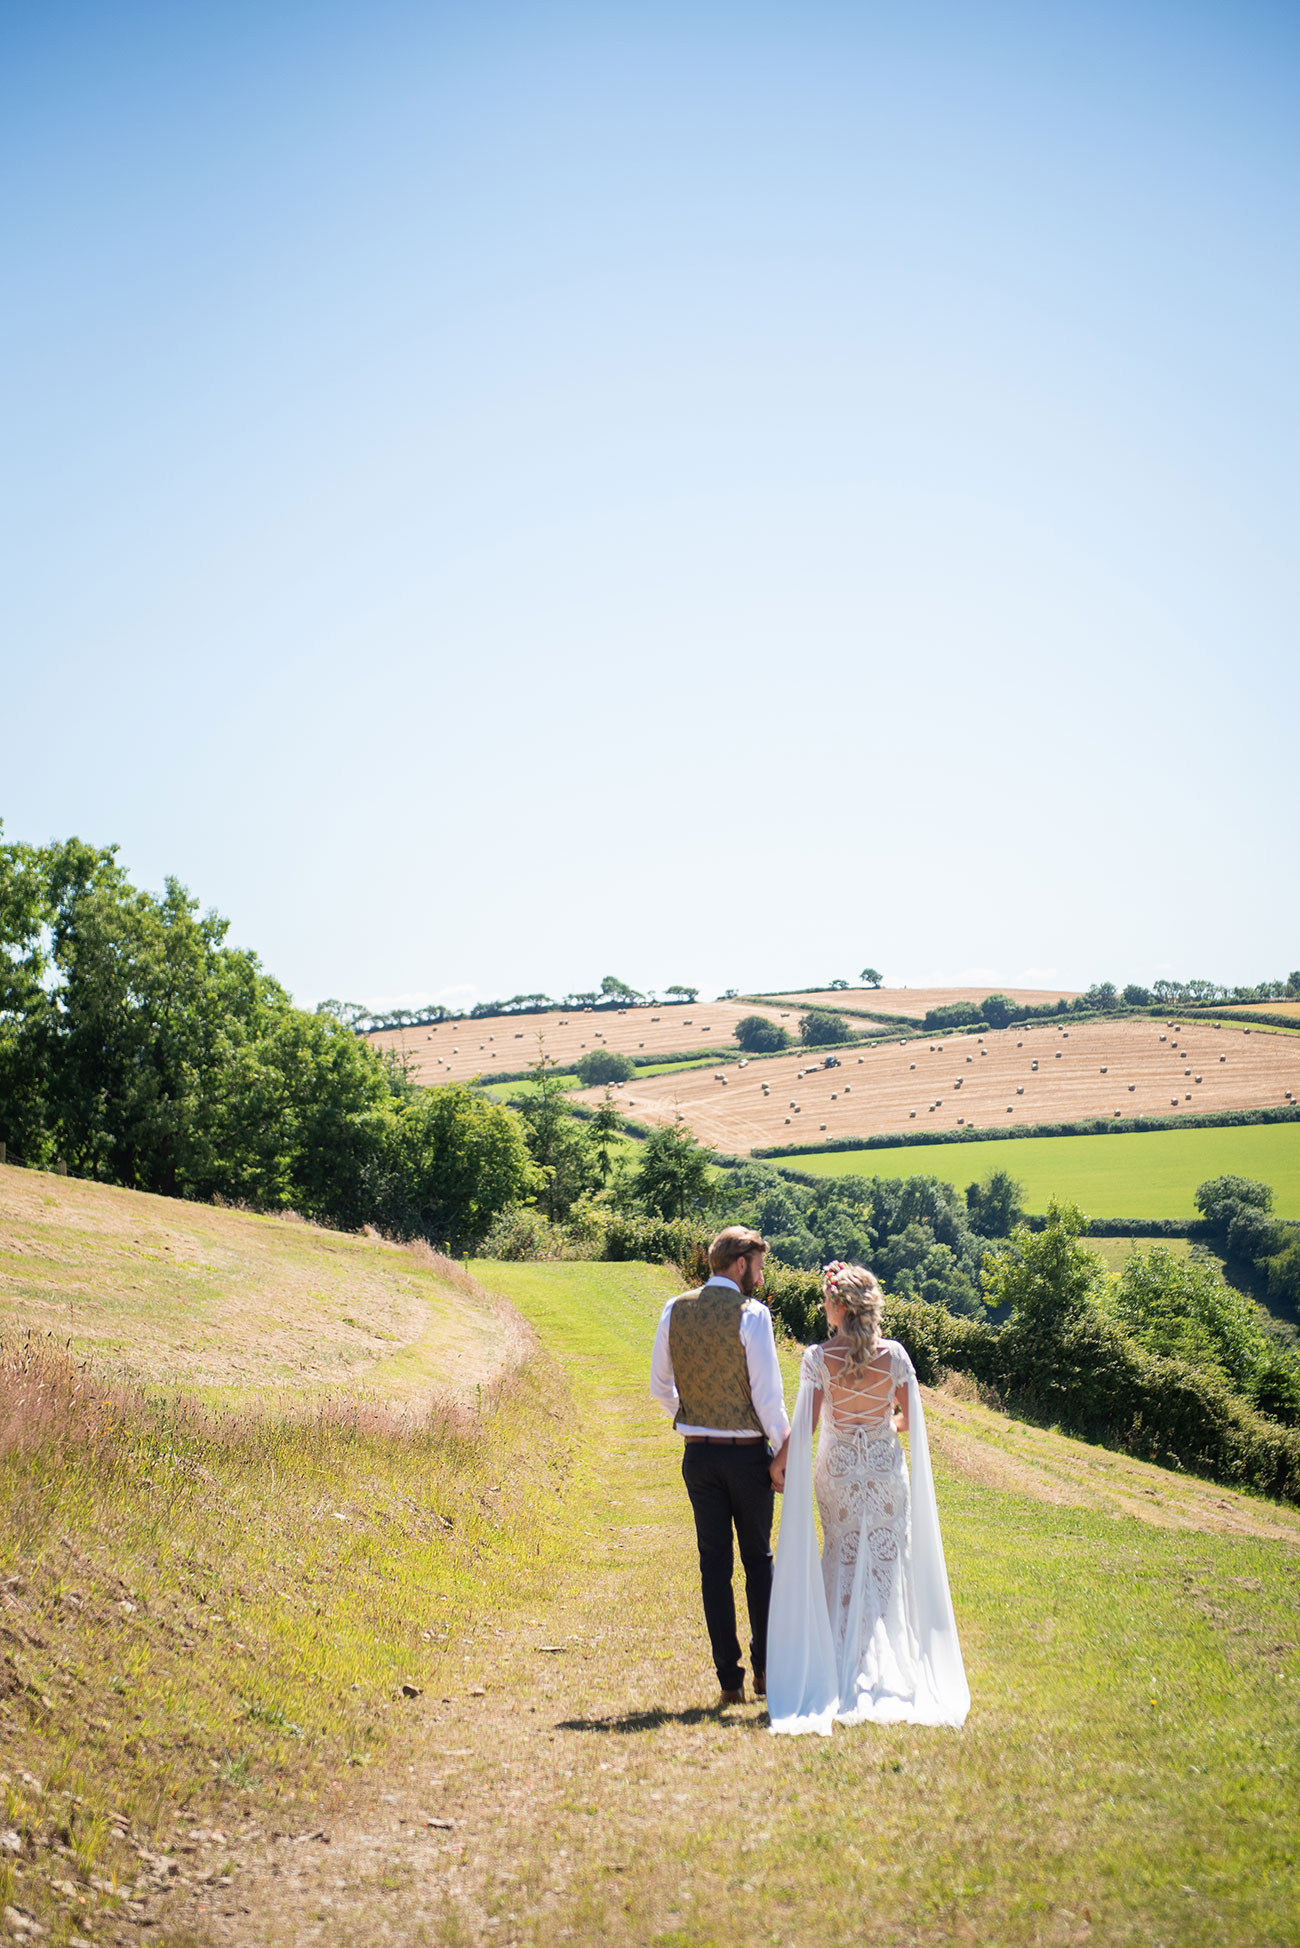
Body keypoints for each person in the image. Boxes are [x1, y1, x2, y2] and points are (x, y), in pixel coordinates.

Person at [766, 1261, 970, 1735]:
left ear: (838, 1306)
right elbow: (910, 1421)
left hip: (838, 1474)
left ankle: (840, 1660)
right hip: (883, 1473)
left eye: (825, 1298)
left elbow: (811, 1426)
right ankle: (895, 1664)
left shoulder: (819, 1357)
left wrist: (780, 1461)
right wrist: (883, 1424)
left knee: (843, 1557)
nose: (823, 1306)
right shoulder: (895, 1356)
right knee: (885, 1564)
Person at [650, 1226, 791, 1705]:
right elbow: (768, 1398)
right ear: (739, 1264)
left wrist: (690, 1418)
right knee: (758, 1562)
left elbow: (659, 1387)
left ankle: (728, 1680)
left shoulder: (675, 1309)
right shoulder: (753, 1316)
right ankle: (766, 1672)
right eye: (758, 1265)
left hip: (699, 1455)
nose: (760, 1275)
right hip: (748, 1455)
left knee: (714, 1565)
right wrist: (785, 1449)